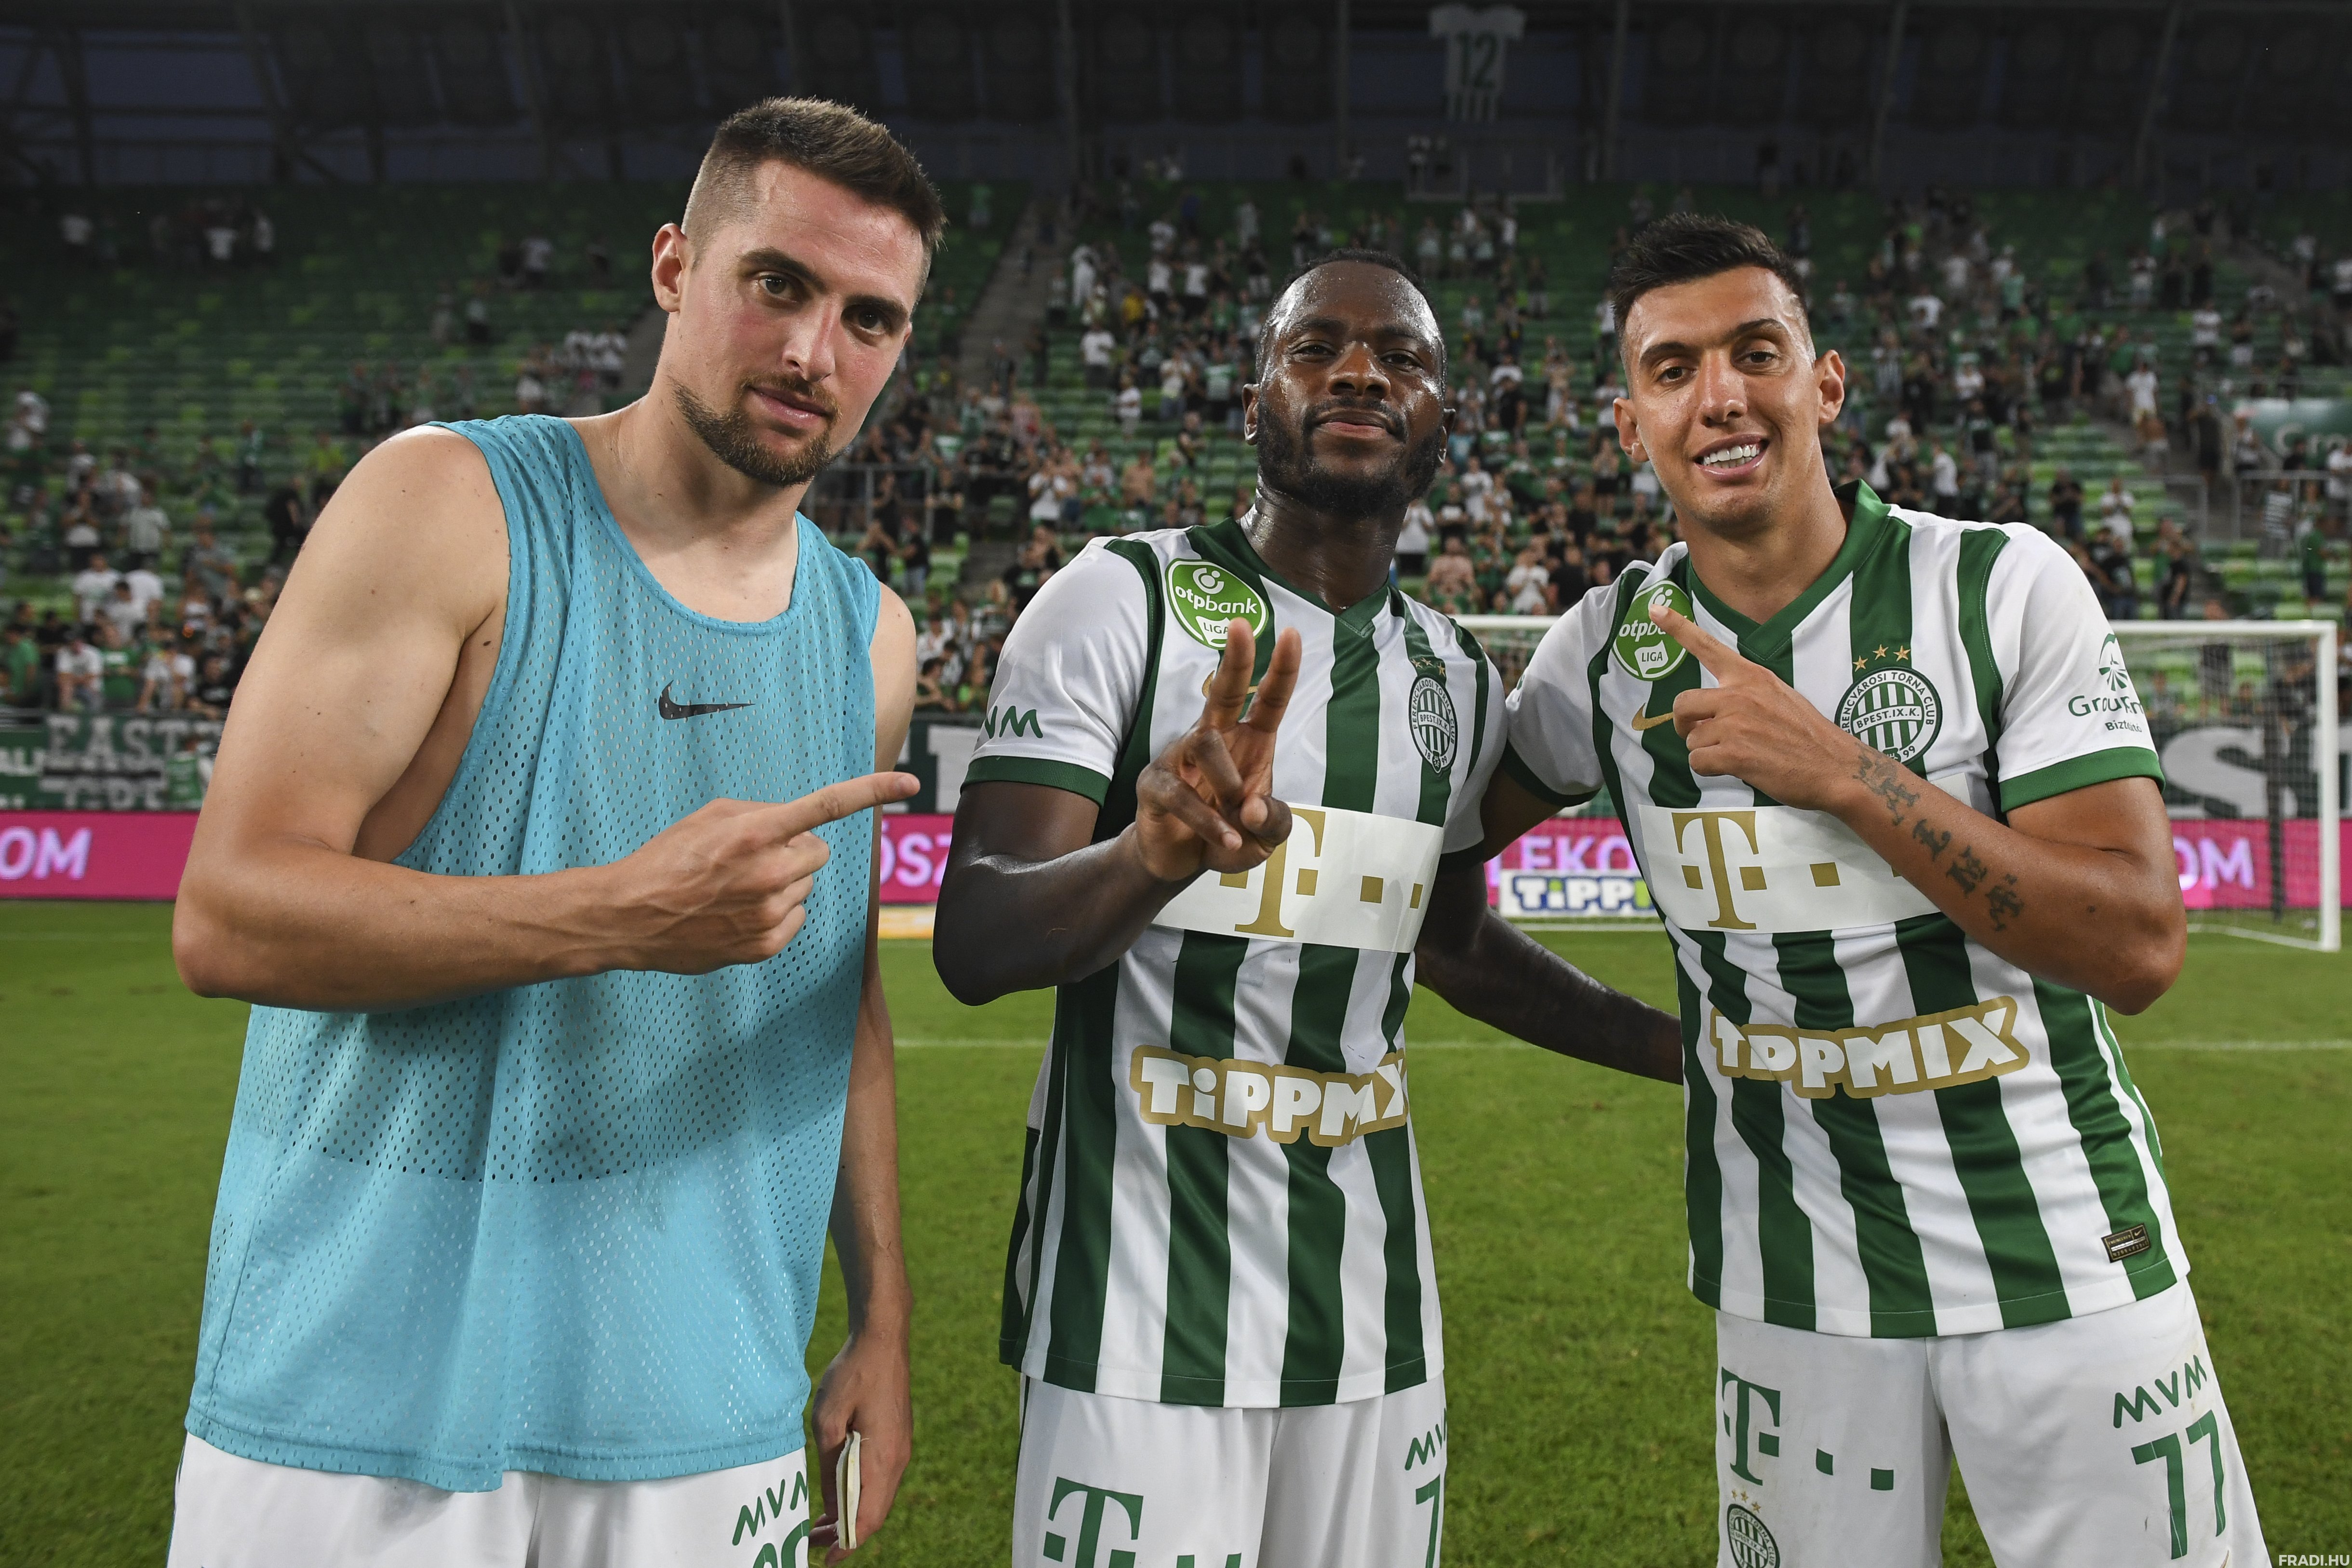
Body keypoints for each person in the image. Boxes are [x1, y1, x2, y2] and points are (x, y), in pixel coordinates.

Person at [163, 98, 944, 1568]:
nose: (811, 351)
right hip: (364, 1405)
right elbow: (230, 914)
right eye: (776, 283)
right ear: (674, 268)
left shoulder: (870, 638)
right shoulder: (449, 502)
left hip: (706, 1408)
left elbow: (832, 999)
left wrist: (883, 1325)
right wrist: (618, 915)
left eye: (868, 318)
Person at [1484, 214, 2267, 1568]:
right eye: (1673, 370)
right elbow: (1427, 872)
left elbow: (2139, 944)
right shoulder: (1605, 656)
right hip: (1793, 1286)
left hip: (2062, 1256)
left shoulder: (1998, 588)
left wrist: (1848, 775)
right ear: (1629, 425)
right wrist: (1673, 1047)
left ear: (1825, 384)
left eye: (1757, 352)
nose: (1720, 397)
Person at [933, 251, 1677, 1568]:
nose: (1360, 374)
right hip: (1135, 1307)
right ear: (1254, 403)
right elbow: (977, 938)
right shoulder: (1121, 599)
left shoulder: (1456, 678)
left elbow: (1452, 946)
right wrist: (1150, 856)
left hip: (1373, 1312)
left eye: (1402, 358)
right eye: (1315, 347)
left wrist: (1690, 1051)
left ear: (1443, 421)